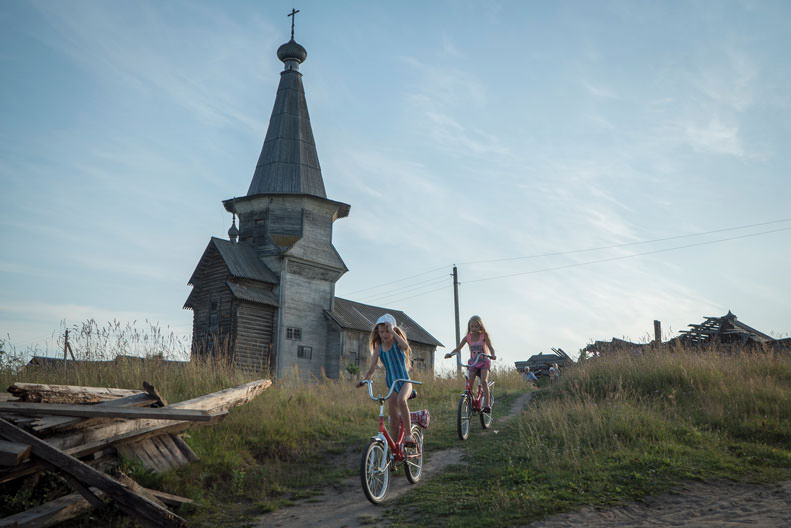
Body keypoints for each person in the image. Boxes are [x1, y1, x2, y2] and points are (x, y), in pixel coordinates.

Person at [357, 314, 415, 447]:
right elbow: (371, 369)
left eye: (387, 331)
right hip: (391, 385)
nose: (384, 334)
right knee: (393, 422)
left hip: (405, 382)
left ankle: (409, 435)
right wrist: (364, 380)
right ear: (378, 332)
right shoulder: (378, 349)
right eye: (381, 331)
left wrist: (393, 332)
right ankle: (394, 452)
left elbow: (405, 346)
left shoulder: (397, 343)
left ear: (393, 330)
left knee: (402, 400)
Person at [444, 315, 496, 412]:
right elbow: (458, 348)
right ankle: (471, 403)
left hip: (483, 362)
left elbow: (491, 348)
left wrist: (493, 355)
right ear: (469, 327)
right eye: (472, 326)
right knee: (469, 384)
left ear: (480, 327)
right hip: (473, 363)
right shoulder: (467, 338)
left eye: (476, 326)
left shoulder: (484, 336)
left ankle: (487, 405)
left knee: (484, 381)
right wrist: (450, 354)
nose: (474, 328)